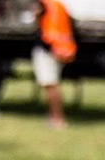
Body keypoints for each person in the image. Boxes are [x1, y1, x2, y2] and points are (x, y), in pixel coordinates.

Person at [32, 0, 74, 130]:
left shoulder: (45, 4)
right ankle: (56, 118)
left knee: (50, 85)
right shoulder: (59, 5)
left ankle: (57, 119)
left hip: (48, 48)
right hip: (59, 48)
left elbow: (37, 19)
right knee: (53, 85)